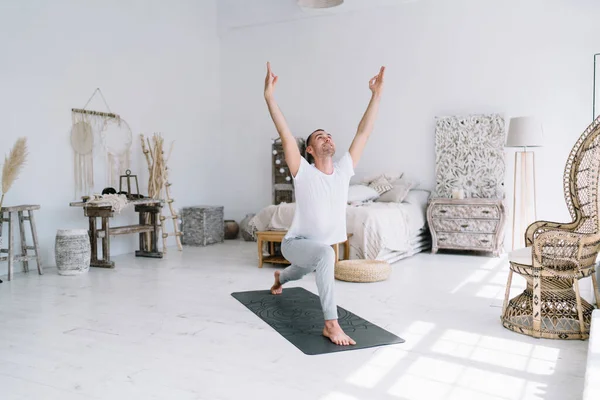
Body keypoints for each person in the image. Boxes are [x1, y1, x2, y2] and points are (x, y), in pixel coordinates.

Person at [263, 62, 385, 346]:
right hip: (295, 243)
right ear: (309, 149)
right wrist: (269, 96)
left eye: (328, 135)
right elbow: (284, 133)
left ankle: (280, 278)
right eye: (320, 137)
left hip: (312, 252)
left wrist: (376, 95)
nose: (327, 138)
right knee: (325, 256)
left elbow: (363, 133)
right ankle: (331, 325)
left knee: (304, 268)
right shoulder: (303, 172)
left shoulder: (343, 171)